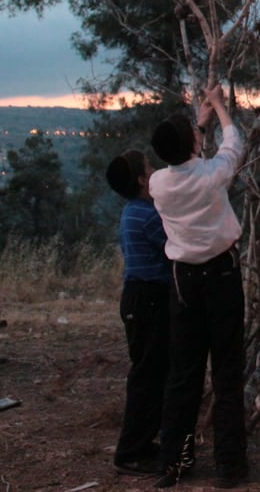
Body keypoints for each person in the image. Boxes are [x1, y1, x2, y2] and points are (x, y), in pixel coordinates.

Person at [149, 84, 248, 489]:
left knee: (184, 374)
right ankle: (230, 467)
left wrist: (197, 125)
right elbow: (234, 145)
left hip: (183, 281)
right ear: (192, 144)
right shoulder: (212, 177)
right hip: (221, 276)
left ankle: (173, 463)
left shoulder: (158, 183)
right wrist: (221, 109)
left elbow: (183, 159)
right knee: (226, 373)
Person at [104, 149, 172, 476]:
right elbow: (174, 245)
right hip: (148, 299)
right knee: (147, 376)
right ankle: (131, 451)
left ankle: (141, 444)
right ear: (143, 180)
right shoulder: (146, 216)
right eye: (149, 168)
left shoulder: (134, 211)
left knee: (150, 373)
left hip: (140, 298)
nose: (154, 169)